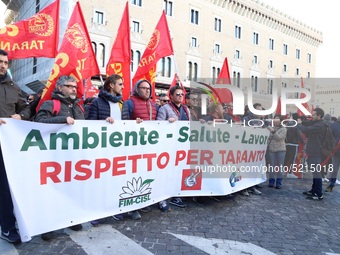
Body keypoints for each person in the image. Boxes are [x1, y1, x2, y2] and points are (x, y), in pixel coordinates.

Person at [35, 75, 84, 240]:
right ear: (59, 87)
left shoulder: (79, 107)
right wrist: (63, 120)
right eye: (69, 86)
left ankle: (71, 218)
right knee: (51, 192)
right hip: (53, 157)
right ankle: (47, 226)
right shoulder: (50, 104)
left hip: (74, 157)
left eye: (75, 87)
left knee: (72, 190)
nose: (73, 89)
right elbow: (39, 122)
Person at [87, 74, 141, 221]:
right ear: (111, 85)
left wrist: (134, 122)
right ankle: (96, 212)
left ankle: (115, 207)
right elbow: (89, 125)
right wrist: (103, 122)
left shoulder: (122, 103)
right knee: (101, 182)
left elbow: (125, 123)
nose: (123, 87)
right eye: (120, 84)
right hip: (102, 150)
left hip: (119, 149)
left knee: (117, 180)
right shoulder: (97, 103)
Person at [0, 49, 31, 243]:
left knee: (6, 186)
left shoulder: (13, 87)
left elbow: (26, 107)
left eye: (5, 62)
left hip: (6, 145)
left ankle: (8, 226)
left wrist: (22, 116)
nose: (2, 65)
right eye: (0, 61)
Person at [122, 80, 165, 211]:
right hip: (135, 146)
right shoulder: (129, 103)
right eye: (144, 88)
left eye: (149, 88)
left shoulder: (153, 105)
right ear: (137, 89)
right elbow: (123, 123)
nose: (147, 90)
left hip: (151, 146)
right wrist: (133, 123)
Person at [157, 85, 190, 208]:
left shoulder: (186, 109)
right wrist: (167, 123)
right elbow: (158, 125)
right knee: (166, 172)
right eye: (178, 94)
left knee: (179, 171)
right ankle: (163, 197)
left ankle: (177, 195)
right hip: (168, 146)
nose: (181, 96)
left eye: (182, 94)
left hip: (182, 146)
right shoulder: (164, 109)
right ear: (171, 96)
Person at [297, 108, 326, 200]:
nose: (312, 117)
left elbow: (306, 129)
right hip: (313, 151)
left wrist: (298, 123)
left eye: (313, 115)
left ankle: (318, 194)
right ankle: (314, 190)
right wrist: (303, 119)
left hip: (316, 152)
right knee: (315, 172)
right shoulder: (317, 123)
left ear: (319, 116)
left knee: (317, 173)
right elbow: (307, 123)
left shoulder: (320, 125)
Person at [267, 115, 287, 189]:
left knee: (280, 166)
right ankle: (271, 182)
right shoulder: (271, 128)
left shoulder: (284, 129)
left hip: (281, 150)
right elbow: (268, 138)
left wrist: (273, 131)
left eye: (277, 119)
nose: (275, 120)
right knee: (272, 166)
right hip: (271, 149)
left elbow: (279, 138)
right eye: (274, 119)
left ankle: (279, 183)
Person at [284, 113, 305, 178]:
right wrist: (303, 142)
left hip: (286, 143)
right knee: (292, 159)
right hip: (294, 144)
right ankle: (290, 172)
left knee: (286, 158)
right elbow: (299, 135)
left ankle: (283, 172)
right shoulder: (296, 125)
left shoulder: (287, 124)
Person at [325, 116, 340, 192]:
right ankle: (331, 184)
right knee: (334, 169)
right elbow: (329, 138)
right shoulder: (334, 125)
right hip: (336, 150)